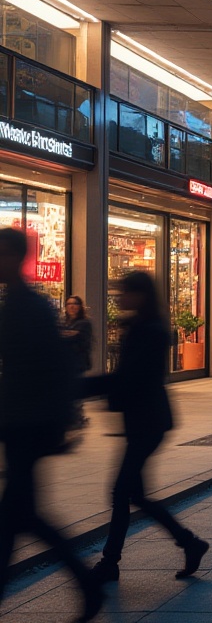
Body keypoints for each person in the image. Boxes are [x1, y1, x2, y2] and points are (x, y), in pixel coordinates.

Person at [0, 228, 103, 622]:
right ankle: (87, 586)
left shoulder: (28, 306)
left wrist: (60, 419)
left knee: (17, 517)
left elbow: (54, 366)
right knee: (20, 517)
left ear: (13, 257)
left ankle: (87, 586)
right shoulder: (20, 304)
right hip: (22, 422)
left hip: (28, 424)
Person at [84, 271, 208, 585]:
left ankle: (111, 563)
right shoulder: (143, 327)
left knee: (122, 492)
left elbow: (130, 378)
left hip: (147, 422)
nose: (119, 297)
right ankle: (189, 543)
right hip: (144, 421)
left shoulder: (148, 330)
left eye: (124, 291)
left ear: (140, 295)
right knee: (132, 494)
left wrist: (78, 388)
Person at [61, 295, 93, 427]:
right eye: (69, 304)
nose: (72, 307)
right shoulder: (65, 322)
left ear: (80, 307)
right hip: (65, 363)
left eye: (75, 304)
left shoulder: (84, 323)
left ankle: (76, 418)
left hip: (78, 362)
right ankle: (75, 416)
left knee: (74, 389)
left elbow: (75, 337)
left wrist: (67, 334)